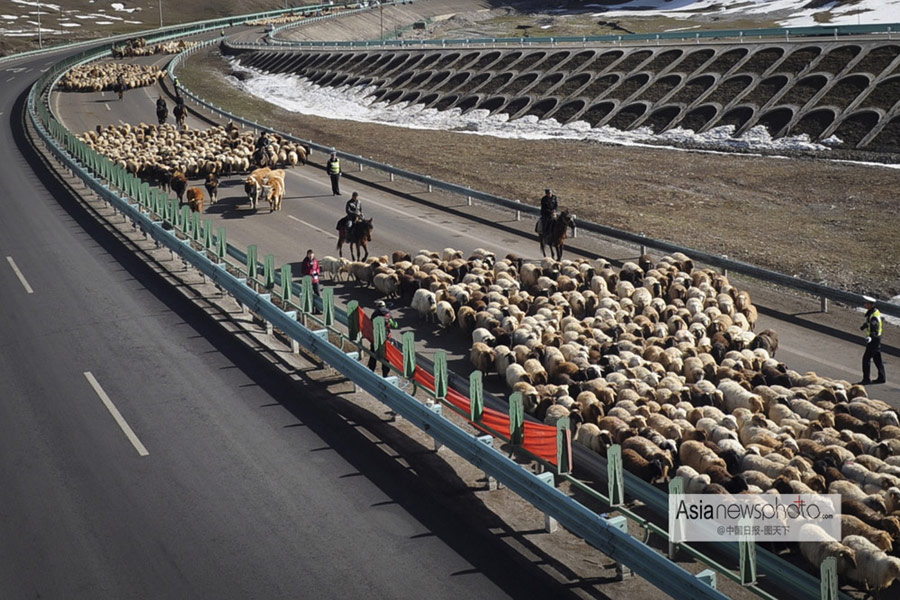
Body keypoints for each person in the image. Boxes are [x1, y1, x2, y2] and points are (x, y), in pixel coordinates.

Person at [858, 295, 886, 385]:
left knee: (866, 359)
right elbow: (871, 323)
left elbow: (875, 328)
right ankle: (882, 377)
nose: (864, 304)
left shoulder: (873, 315)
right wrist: (865, 325)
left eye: (866, 303)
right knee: (877, 359)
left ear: (870, 304)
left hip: (873, 340)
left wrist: (870, 336)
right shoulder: (873, 312)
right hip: (876, 339)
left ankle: (866, 379)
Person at [368, 299, 397, 377]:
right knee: (386, 358)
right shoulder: (388, 313)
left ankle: (371, 372)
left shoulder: (374, 314)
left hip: (376, 338)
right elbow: (395, 325)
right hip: (386, 338)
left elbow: (370, 324)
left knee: (373, 356)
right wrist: (389, 322)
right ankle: (385, 375)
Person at [300, 249, 322, 313]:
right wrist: (310, 269)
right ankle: (311, 309)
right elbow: (303, 271)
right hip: (308, 280)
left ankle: (318, 309)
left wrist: (317, 272)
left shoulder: (315, 261)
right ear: (307, 255)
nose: (311, 257)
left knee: (317, 293)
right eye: (310, 256)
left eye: (312, 256)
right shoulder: (305, 261)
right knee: (310, 295)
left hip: (315, 280)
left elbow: (318, 268)